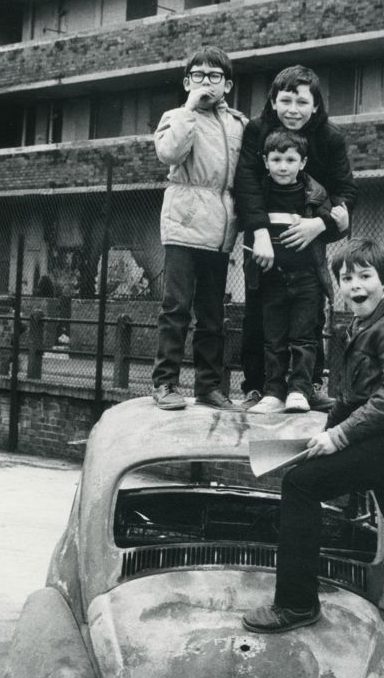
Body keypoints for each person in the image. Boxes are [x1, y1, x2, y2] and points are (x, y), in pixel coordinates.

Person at [242, 238, 384, 678]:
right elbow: (352, 399)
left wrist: (338, 439)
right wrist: (319, 439)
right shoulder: (363, 326)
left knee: (300, 487)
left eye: (366, 276)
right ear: (339, 286)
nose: (355, 284)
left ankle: (296, 603)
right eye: (347, 277)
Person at [233, 65, 356, 412]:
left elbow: (345, 192)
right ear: (273, 101)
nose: (293, 109)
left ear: (315, 106)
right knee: (260, 316)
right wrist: (258, 234)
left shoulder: (330, 138)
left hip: (308, 247)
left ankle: (307, 387)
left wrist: (321, 225)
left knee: (309, 320)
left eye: (302, 102)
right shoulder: (258, 132)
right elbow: (245, 185)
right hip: (263, 241)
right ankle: (258, 388)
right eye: (285, 100)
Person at [151, 46, 247, 411]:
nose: (206, 82)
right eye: (198, 75)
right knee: (175, 307)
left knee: (212, 314)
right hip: (183, 224)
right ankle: (165, 384)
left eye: (215, 76)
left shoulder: (239, 124)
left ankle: (209, 386)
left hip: (221, 230)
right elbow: (170, 154)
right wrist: (189, 109)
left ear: (229, 84)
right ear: (187, 81)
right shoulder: (175, 116)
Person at [243, 130, 334, 414]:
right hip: (272, 279)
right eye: (277, 159)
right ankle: (273, 392)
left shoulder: (317, 194)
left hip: (307, 280)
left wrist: (325, 219)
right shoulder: (259, 193)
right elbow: (246, 220)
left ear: (303, 163)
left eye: (291, 159)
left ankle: (299, 390)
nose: (283, 166)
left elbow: (333, 224)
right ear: (266, 161)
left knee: (305, 337)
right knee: (274, 339)